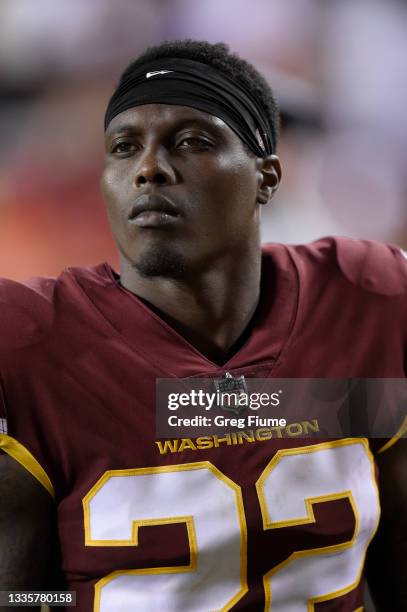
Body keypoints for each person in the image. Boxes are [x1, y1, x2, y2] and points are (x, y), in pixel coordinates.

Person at [0, 39, 406, 612]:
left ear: (267, 177)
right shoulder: (32, 343)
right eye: (124, 146)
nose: (149, 169)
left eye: (192, 141)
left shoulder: (365, 298)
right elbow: (14, 595)